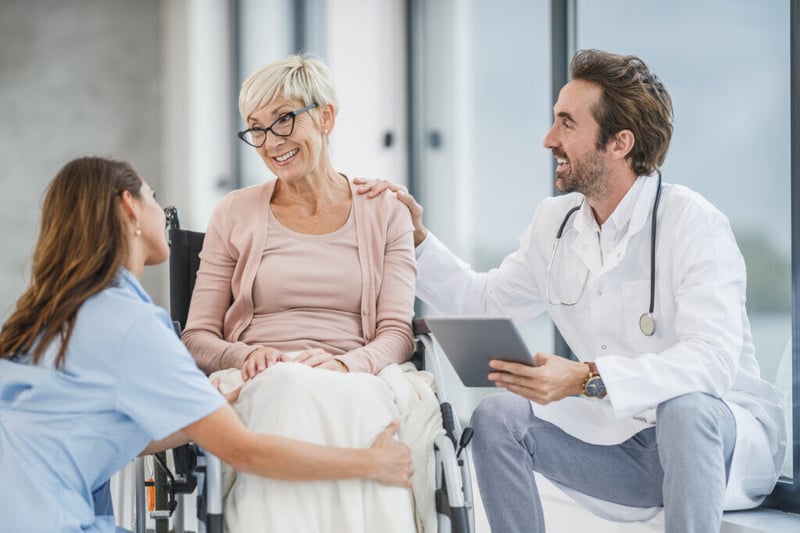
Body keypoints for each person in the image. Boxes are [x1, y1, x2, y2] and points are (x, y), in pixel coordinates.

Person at [357, 49, 785, 533]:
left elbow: (712, 362)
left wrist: (585, 378)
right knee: (498, 415)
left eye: (567, 124)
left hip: (715, 451)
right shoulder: (555, 224)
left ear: (620, 142)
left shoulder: (693, 223)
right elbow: (484, 302)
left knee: (685, 409)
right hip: (623, 448)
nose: (549, 139)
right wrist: (416, 238)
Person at [0, 156, 412, 533]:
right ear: (129, 207)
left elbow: (91, 431)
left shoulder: (45, 315)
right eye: (153, 198)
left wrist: (206, 414)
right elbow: (246, 454)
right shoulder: (131, 324)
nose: (162, 214)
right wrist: (372, 463)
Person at [180, 55, 426, 532]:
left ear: (326, 117)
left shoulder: (386, 212)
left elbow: (397, 333)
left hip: (356, 374)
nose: (271, 142)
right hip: (261, 378)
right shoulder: (233, 213)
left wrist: (344, 364)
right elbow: (196, 337)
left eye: (284, 119)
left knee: (346, 399)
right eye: (257, 128)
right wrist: (245, 355)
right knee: (288, 385)